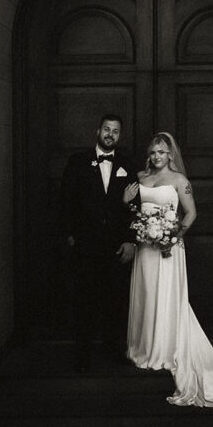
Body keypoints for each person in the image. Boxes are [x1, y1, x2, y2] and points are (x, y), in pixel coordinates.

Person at [123, 132, 213, 407]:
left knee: (165, 297)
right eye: (153, 152)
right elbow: (132, 213)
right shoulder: (140, 178)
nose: (156, 157)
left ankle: (164, 349)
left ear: (170, 155)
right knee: (146, 294)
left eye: (162, 152)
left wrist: (172, 235)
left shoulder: (180, 181)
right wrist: (126, 203)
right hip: (145, 248)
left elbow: (191, 213)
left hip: (168, 249)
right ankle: (143, 348)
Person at [59, 113, 139, 371]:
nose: (110, 135)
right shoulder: (78, 161)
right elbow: (65, 201)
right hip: (85, 246)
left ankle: (111, 349)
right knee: (84, 300)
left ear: (120, 136)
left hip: (117, 246)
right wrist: (71, 235)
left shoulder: (128, 163)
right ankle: (82, 354)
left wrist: (130, 241)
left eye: (115, 131)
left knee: (115, 301)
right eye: (107, 129)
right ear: (97, 131)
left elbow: (136, 206)